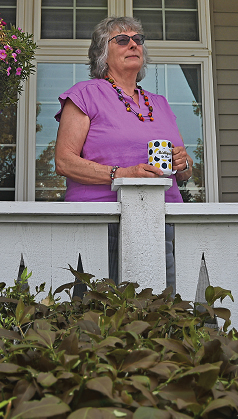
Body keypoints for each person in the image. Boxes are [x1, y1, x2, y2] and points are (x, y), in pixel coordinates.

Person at [54, 16, 193, 286]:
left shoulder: (160, 103)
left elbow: (184, 174)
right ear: (102, 54)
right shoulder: (85, 94)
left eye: (137, 40)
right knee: (99, 316)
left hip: (162, 223)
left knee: (162, 313)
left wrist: (184, 163)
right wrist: (123, 174)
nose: (133, 44)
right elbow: (64, 162)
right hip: (102, 223)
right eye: (122, 40)